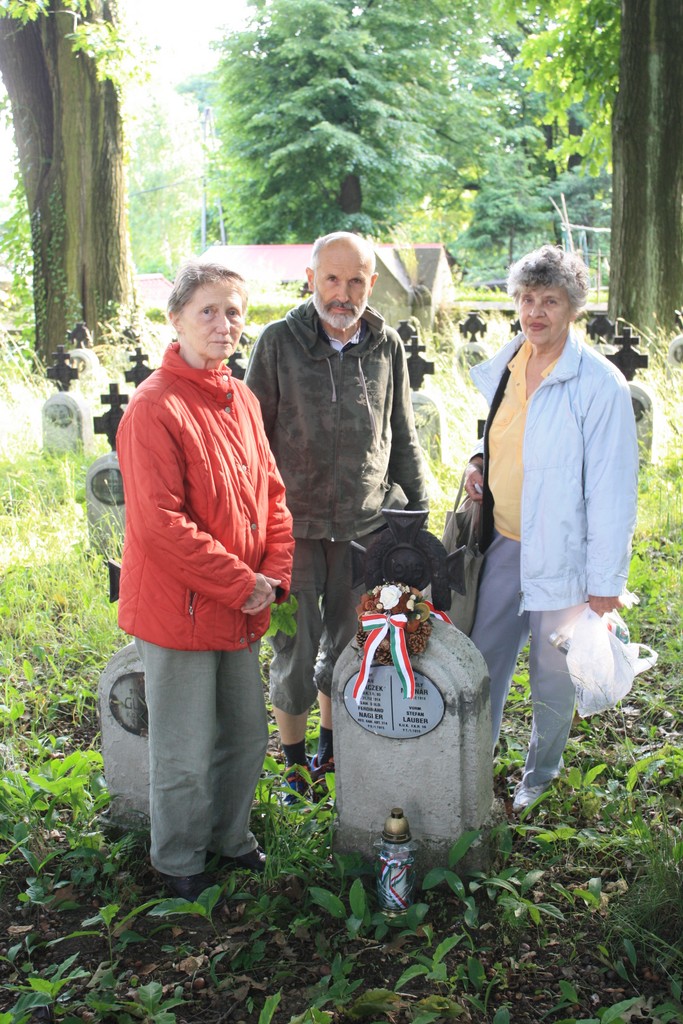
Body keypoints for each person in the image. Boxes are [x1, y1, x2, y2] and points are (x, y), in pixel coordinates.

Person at [116, 260, 294, 901]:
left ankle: (229, 839)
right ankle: (180, 863)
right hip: (180, 609)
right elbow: (161, 523)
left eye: (235, 312)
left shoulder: (240, 397)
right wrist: (241, 582)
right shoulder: (153, 408)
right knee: (185, 750)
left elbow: (271, 492)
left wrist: (272, 573)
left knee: (245, 736)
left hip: (240, 603)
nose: (224, 325)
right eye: (208, 312)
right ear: (177, 321)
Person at [245, 231, 428, 801]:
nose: (343, 293)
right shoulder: (278, 342)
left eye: (355, 281)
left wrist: (418, 521)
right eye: (332, 279)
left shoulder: (387, 344)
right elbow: (250, 440)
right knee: (296, 648)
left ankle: (332, 745)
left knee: (354, 643)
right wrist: (252, 525)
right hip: (292, 528)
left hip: (365, 526)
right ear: (311, 279)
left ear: (371, 284)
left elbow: (402, 435)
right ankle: (295, 763)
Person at [464, 244, 638, 813]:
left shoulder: (599, 384)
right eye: (527, 299)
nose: (535, 312)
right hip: (504, 544)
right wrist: (478, 461)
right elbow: (503, 435)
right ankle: (469, 769)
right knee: (480, 659)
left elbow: (614, 490)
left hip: (565, 554)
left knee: (552, 675)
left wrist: (605, 582)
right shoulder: (509, 365)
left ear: (573, 308)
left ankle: (538, 778)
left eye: (550, 300)